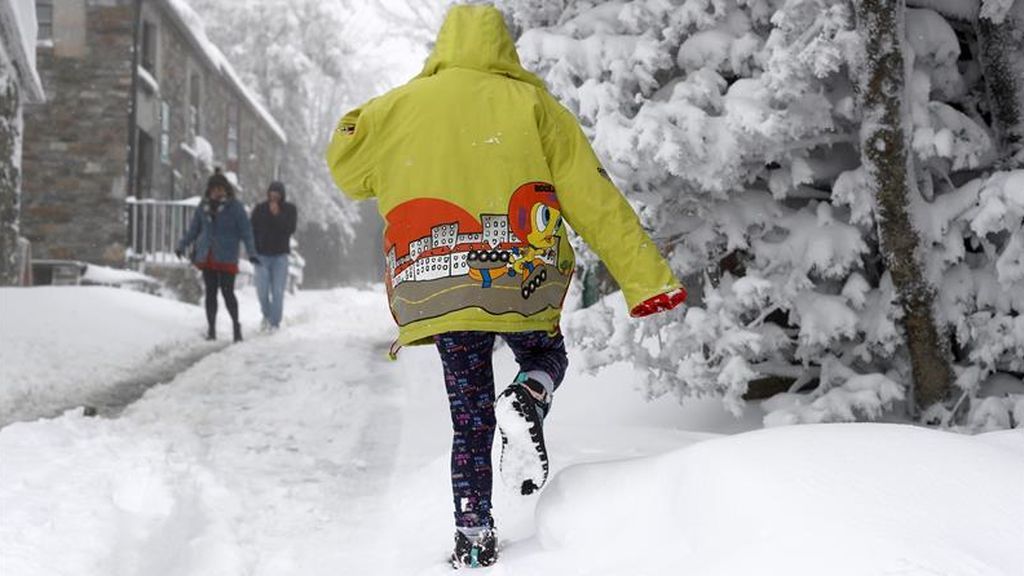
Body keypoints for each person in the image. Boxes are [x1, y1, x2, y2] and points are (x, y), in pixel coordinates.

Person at [325, 3, 686, 569]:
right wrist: (647, 281)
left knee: (468, 414)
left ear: (442, 47)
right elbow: (594, 199)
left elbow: (347, 169)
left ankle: (473, 537)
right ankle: (531, 392)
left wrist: (360, 118)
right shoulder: (535, 105)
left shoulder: (398, 109)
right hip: (520, 273)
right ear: (503, 46)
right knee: (544, 351)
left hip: (437, 281)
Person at [176, 171, 258, 343]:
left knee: (228, 294)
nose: (217, 192)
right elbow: (194, 229)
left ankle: (236, 326)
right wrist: (182, 245)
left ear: (227, 190)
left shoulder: (235, 208)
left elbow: (246, 232)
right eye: (214, 189)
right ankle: (211, 329)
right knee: (210, 293)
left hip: (227, 257)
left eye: (221, 189)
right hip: (208, 256)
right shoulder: (203, 206)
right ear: (209, 190)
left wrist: (252, 253)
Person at [250, 180, 298, 331]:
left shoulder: (290, 210)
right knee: (262, 291)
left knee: (278, 291)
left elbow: (290, 229)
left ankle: (274, 323)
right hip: (262, 256)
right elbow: (251, 230)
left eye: (278, 194)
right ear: (268, 194)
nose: (274, 196)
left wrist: (277, 215)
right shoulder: (260, 209)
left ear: (282, 195)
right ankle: (266, 315)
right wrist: (252, 251)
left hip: (280, 257)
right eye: (272, 193)